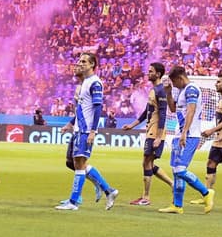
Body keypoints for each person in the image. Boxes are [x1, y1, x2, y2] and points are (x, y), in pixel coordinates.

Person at [55, 51, 118, 211]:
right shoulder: (85, 83)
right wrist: (70, 124)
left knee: (80, 164)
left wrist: (92, 131)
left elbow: (98, 108)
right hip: (78, 129)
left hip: (85, 130)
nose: (80, 63)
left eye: (84, 61)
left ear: (92, 65)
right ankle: (108, 190)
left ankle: (74, 202)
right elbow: (83, 109)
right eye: (79, 61)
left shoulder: (95, 83)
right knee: (75, 163)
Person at [158, 66, 214, 214]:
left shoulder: (191, 89)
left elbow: (191, 110)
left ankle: (206, 193)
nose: (174, 85)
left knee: (180, 169)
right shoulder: (182, 91)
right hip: (179, 135)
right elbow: (172, 109)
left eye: (174, 82)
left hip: (189, 135)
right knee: (176, 171)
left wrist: (184, 132)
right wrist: (169, 92)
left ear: (180, 78)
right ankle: (177, 205)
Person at [121, 61, 174, 206]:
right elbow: (147, 112)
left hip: (155, 132)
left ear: (158, 74)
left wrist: (158, 136)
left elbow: (163, 114)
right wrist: (132, 125)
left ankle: (146, 197)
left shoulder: (161, 91)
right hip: (150, 130)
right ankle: (172, 185)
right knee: (148, 162)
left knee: (146, 161)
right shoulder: (154, 90)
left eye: (151, 71)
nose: (148, 73)